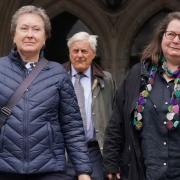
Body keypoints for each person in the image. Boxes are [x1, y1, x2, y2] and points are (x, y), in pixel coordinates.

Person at [0, 5, 92, 180]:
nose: (30, 34)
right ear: (13, 35)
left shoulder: (57, 74)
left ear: (45, 38)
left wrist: (83, 171)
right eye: (24, 28)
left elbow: (72, 127)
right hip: (4, 169)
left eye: (36, 29)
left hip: (50, 170)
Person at [103, 11, 180, 180]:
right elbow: (118, 121)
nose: (176, 40)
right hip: (143, 171)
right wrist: (111, 162)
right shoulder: (139, 75)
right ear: (161, 37)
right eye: (171, 34)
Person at [63, 32, 115, 180]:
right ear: (69, 53)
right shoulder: (57, 77)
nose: (79, 55)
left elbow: (114, 119)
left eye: (84, 51)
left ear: (93, 54)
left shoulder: (106, 79)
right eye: (75, 51)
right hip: (64, 152)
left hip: (95, 152)